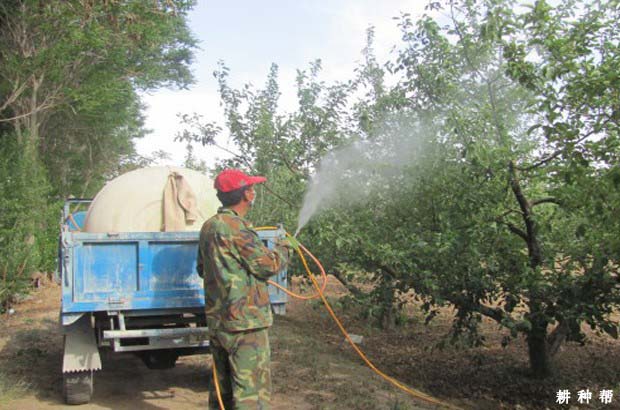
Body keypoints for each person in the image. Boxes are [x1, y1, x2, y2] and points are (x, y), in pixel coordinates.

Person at [197, 169, 290, 410]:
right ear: (245, 195)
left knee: (222, 388)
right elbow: (267, 266)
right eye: (251, 188)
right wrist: (283, 249)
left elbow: (201, 268)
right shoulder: (237, 228)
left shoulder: (209, 226)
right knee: (251, 390)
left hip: (219, 321)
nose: (254, 191)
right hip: (245, 323)